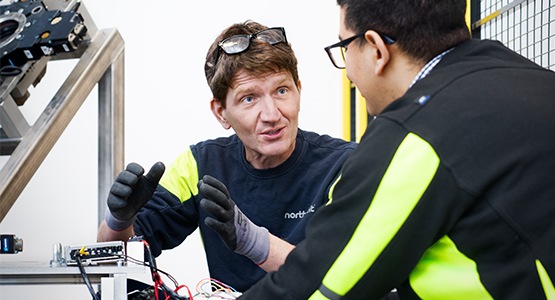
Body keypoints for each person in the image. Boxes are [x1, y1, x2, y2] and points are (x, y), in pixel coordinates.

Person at [237, 0, 555, 299]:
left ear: (376, 49)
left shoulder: (413, 134)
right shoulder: (537, 82)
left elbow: (318, 285)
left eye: (345, 47)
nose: (347, 71)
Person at [97, 20, 356, 292]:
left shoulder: (346, 164)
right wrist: (118, 222)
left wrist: (252, 241)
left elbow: (342, 274)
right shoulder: (199, 165)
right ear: (221, 113)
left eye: (281, 91)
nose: (271, 115)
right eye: (249, 98)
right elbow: (112, 260)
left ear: (299, 91)